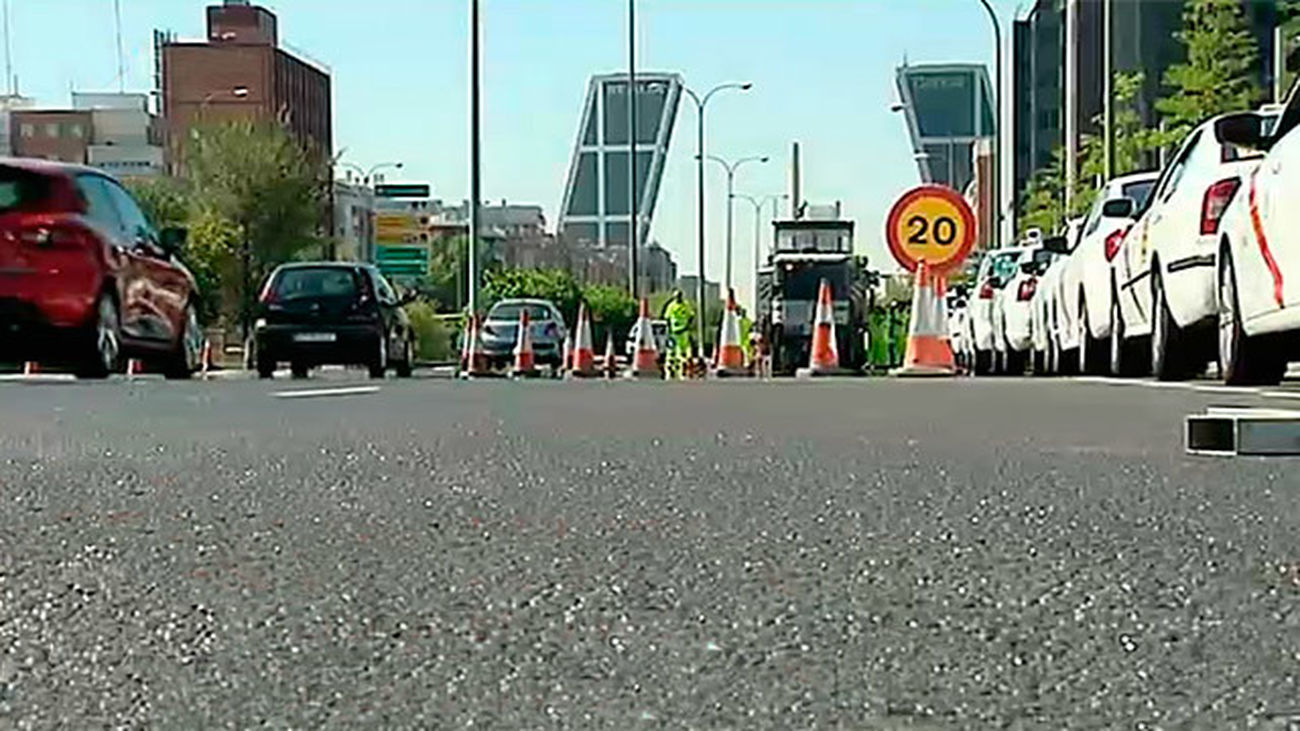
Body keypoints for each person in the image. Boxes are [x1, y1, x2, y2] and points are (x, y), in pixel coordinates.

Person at [662, 290, 694, 380]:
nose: (678, 298)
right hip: (674, 332)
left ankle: (683, 369)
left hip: (683, 332)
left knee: (683, 351)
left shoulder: (685, 305)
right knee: (672, 352)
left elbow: (691, 315)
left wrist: (687, 325)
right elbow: (667, 318)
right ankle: (671, 369)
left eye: (679, 297)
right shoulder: (671, 306)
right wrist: (669, 330)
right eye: (677, 297)